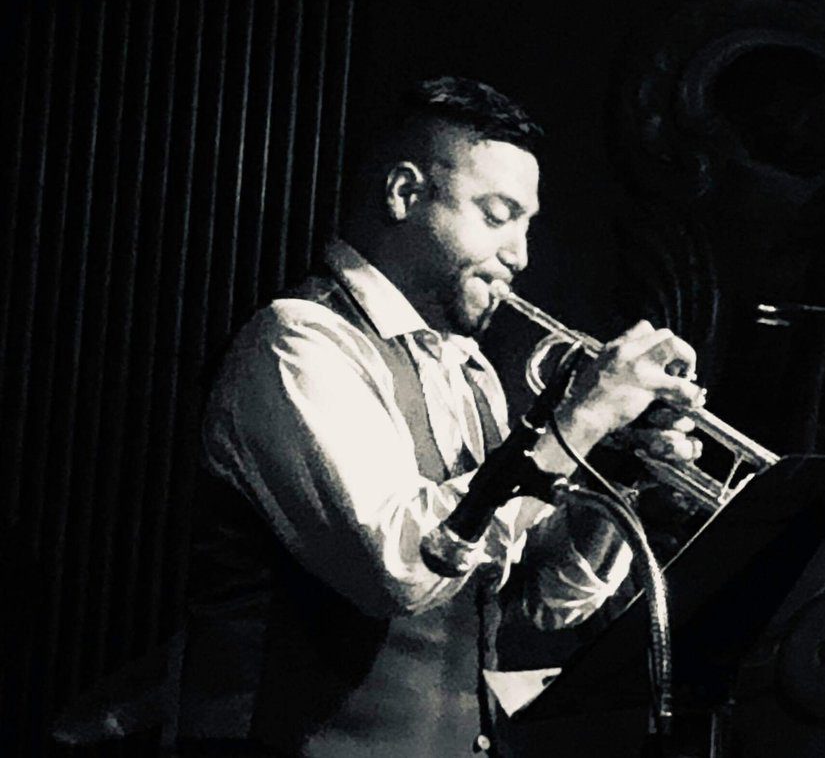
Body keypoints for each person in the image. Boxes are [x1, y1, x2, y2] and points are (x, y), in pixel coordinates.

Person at [177, 76, 704, 757]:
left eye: (527, 223)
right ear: (404, 194)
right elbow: (399, 570)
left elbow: (538, 603)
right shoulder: (299, 341)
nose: (520, 255)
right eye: (496, 215)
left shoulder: (467, 369)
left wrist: (616, 472)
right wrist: (577, 421)